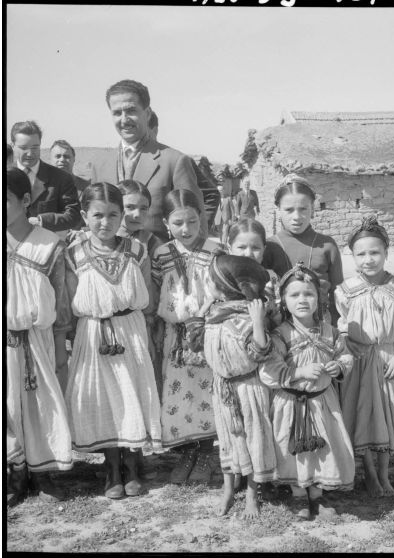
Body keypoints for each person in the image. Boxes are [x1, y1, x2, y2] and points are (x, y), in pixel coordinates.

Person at [64, 182, 162, 500]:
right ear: (84, 215)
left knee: (132, 395)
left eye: (113, 215)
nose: (105, 223)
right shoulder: (73, 253)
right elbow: (68, 301)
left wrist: (147, 336)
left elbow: (147, 301)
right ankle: (112, 469)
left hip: (130, 331)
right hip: (93, 335)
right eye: (97, 215)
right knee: (106, 401)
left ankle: (133, 468)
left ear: (121, 215)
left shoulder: (136, 250)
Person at [335, 215, 394, 498]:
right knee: (363, 416)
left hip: (390, 362)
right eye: (360, 254)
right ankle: (370, 474)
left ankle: (385, 474)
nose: (368, 259)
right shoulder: (345, 291)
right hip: (360, 364)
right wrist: (349, 342)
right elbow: (341, 327)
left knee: (387, 417)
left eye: (375, 252)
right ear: (352, 256)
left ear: (386, 252)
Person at [259, 263, 355, 520]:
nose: (302, 300)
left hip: (323, 403)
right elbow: (268, 371)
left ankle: (318, 495)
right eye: (294, 295)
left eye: (309, 294)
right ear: (283, 300)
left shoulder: (331, 333)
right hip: (291, 404)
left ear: (319, 298)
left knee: (323, 450)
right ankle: (298, 494)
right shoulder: (280, 335)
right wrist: (299, 373)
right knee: (293, 451)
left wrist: (338, 366)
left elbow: (346, 357)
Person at [184, 254, 276, 518]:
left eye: (211, 281)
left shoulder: (247, 317)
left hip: (248, 389)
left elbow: (260, 352)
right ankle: (227, 489)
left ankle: (251, 493)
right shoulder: (214, 313)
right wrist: (201, 312)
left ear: (224, 286)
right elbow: (195, 343)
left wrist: (258, 321)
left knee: (253, 438)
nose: (207, 285)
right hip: (222, 388)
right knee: (227, 439)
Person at [6, 168, 73, 507]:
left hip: (38, 338)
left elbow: (60, 301)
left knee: (39, 404)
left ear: (26, 201)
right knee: (8, 408)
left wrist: (61, 348)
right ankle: (15, 471)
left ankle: (42, 470)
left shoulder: (48, 244)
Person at [151, 189, 221, 485]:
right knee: (178, 394)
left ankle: (206, 452)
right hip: (174, 337)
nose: (186, 229)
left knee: (206, 393)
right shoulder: (162, 254)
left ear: (202, 218)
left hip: (206, 333)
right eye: (178, 223)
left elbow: (223, 291)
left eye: (192, 221)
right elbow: (156, 293)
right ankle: (187, 452)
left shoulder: (217, 249)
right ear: (167, 223)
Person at [91, 79, 219, 241]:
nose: (124, 120)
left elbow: (196, 224)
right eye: (117, 113)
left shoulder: (174, 161)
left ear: (148, 113)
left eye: (131, 111)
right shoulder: (100, 165)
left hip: (158, 262)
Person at [261, 174, 344, 325]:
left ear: (313, 208)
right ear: (278, 210)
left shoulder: (327, 245)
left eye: (303, 209)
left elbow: (338, 295)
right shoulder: (269, 247)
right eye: (289, 210)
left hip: (322, 327)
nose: (297, 217)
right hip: (280, 327)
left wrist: (336, 329)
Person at [10, 121, 80, 233]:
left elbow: (74, 215)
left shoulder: (61, 178)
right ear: (13, 146)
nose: (30, 153)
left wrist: (42, 221)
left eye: (35, 147)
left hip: (48, 246)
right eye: (24, 148)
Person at [228, 218, 281, 329]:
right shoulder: (222, 279)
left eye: (255, 248)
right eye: (242, 247)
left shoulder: (272, 280)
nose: (248, 254)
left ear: (264, 250)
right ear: (230, 249)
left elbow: (278, 318)